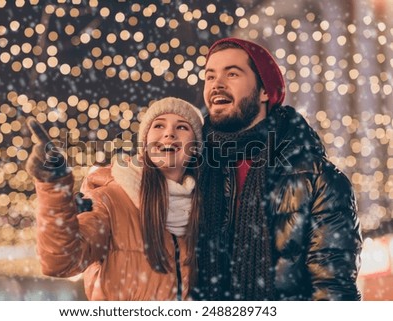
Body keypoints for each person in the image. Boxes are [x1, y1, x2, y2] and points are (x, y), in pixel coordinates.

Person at [193, 37, 362, 301]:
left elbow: (333, 292)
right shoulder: (191, 169)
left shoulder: (318, 179)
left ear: (264, 91)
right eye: (209, 76)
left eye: (232, 73)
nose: (217, 84)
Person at [25, 97, 204, 300]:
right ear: (144, 143)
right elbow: (61, 261)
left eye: (182, 127)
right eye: (159, 125)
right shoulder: (109, 200)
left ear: (196, 147)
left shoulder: (202, 208)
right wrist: (54, 188)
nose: (169, 132)